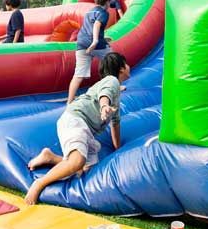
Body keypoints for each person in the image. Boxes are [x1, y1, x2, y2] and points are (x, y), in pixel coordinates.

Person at [24, 52, 130, 205]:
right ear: (121, 68)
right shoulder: (112, 81)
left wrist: (118, 148)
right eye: (126, 64)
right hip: (76, 120)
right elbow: (104, 95)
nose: (129, 67)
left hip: (85, 129)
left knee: (85, 169)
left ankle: (51, 157)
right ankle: (39, 183)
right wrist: (104, 106)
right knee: (77, 161)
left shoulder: (116, 93)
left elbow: (115, 123)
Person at [66, 0, 113, 104]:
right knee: (112, 61)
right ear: (107, 2)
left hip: (81, 44)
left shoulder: (89, 12)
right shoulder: (104, 13)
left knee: (78, 74)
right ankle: (115, 87)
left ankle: (69, 100)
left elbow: (88, 28)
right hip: (94, 44)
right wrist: (96, 41)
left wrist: (102, 38)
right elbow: (97, 24)